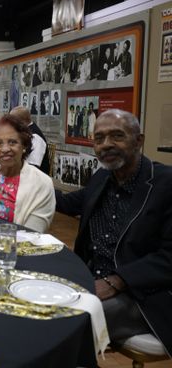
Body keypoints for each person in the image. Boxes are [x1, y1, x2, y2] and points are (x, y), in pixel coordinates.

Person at [55, 109, 172, 355]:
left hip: (142, 294)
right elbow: (66, 203)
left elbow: (169, 256)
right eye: (99, 138)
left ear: (138, 140)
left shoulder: (166, 183)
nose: (106, 144)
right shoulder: (102, 178)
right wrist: (24, 174)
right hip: (92, 281)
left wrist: (116, 281)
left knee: (63, 323)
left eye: (117, 136)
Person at [0, 114, 55, 232]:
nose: (5, 149)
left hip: (11, 241)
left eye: (12, 142)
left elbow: (31, 234)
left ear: (24, 146)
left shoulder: (41, 184)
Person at [10, 106, 50, 174]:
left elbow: (34, 165)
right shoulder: (25, 131)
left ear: (22, 121)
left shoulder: (36, 137)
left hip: (35, 177)